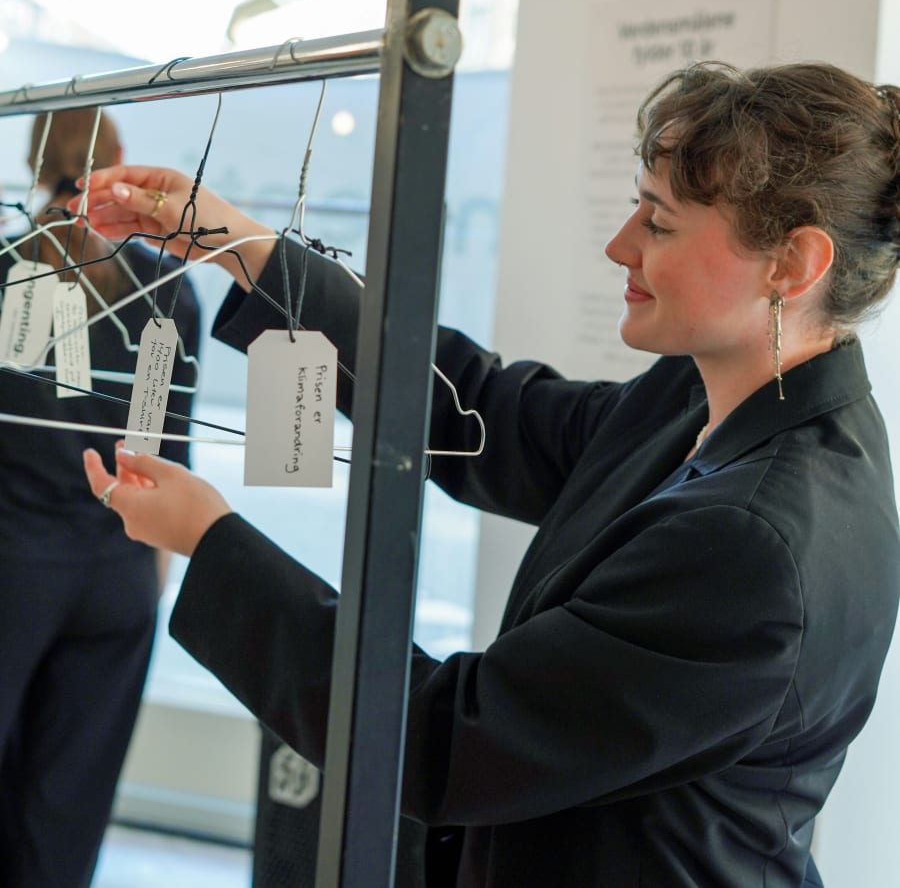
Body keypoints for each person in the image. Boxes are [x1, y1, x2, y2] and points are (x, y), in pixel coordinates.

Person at [79, 61, 900, 888]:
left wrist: (208, 540)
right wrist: (243, 247)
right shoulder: (701, 398)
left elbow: (452, 740)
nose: (620, 245)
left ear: (792, 264)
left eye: (659, 222)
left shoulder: (754, 542)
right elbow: (482, 411)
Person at [0, 108, 202, 888]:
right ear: (118, 160)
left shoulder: (6, 271)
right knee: (68, 808)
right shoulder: (168, 292)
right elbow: (160, 454)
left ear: (28, 158)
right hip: (116, 576)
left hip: (12, 565)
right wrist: (146, 572)